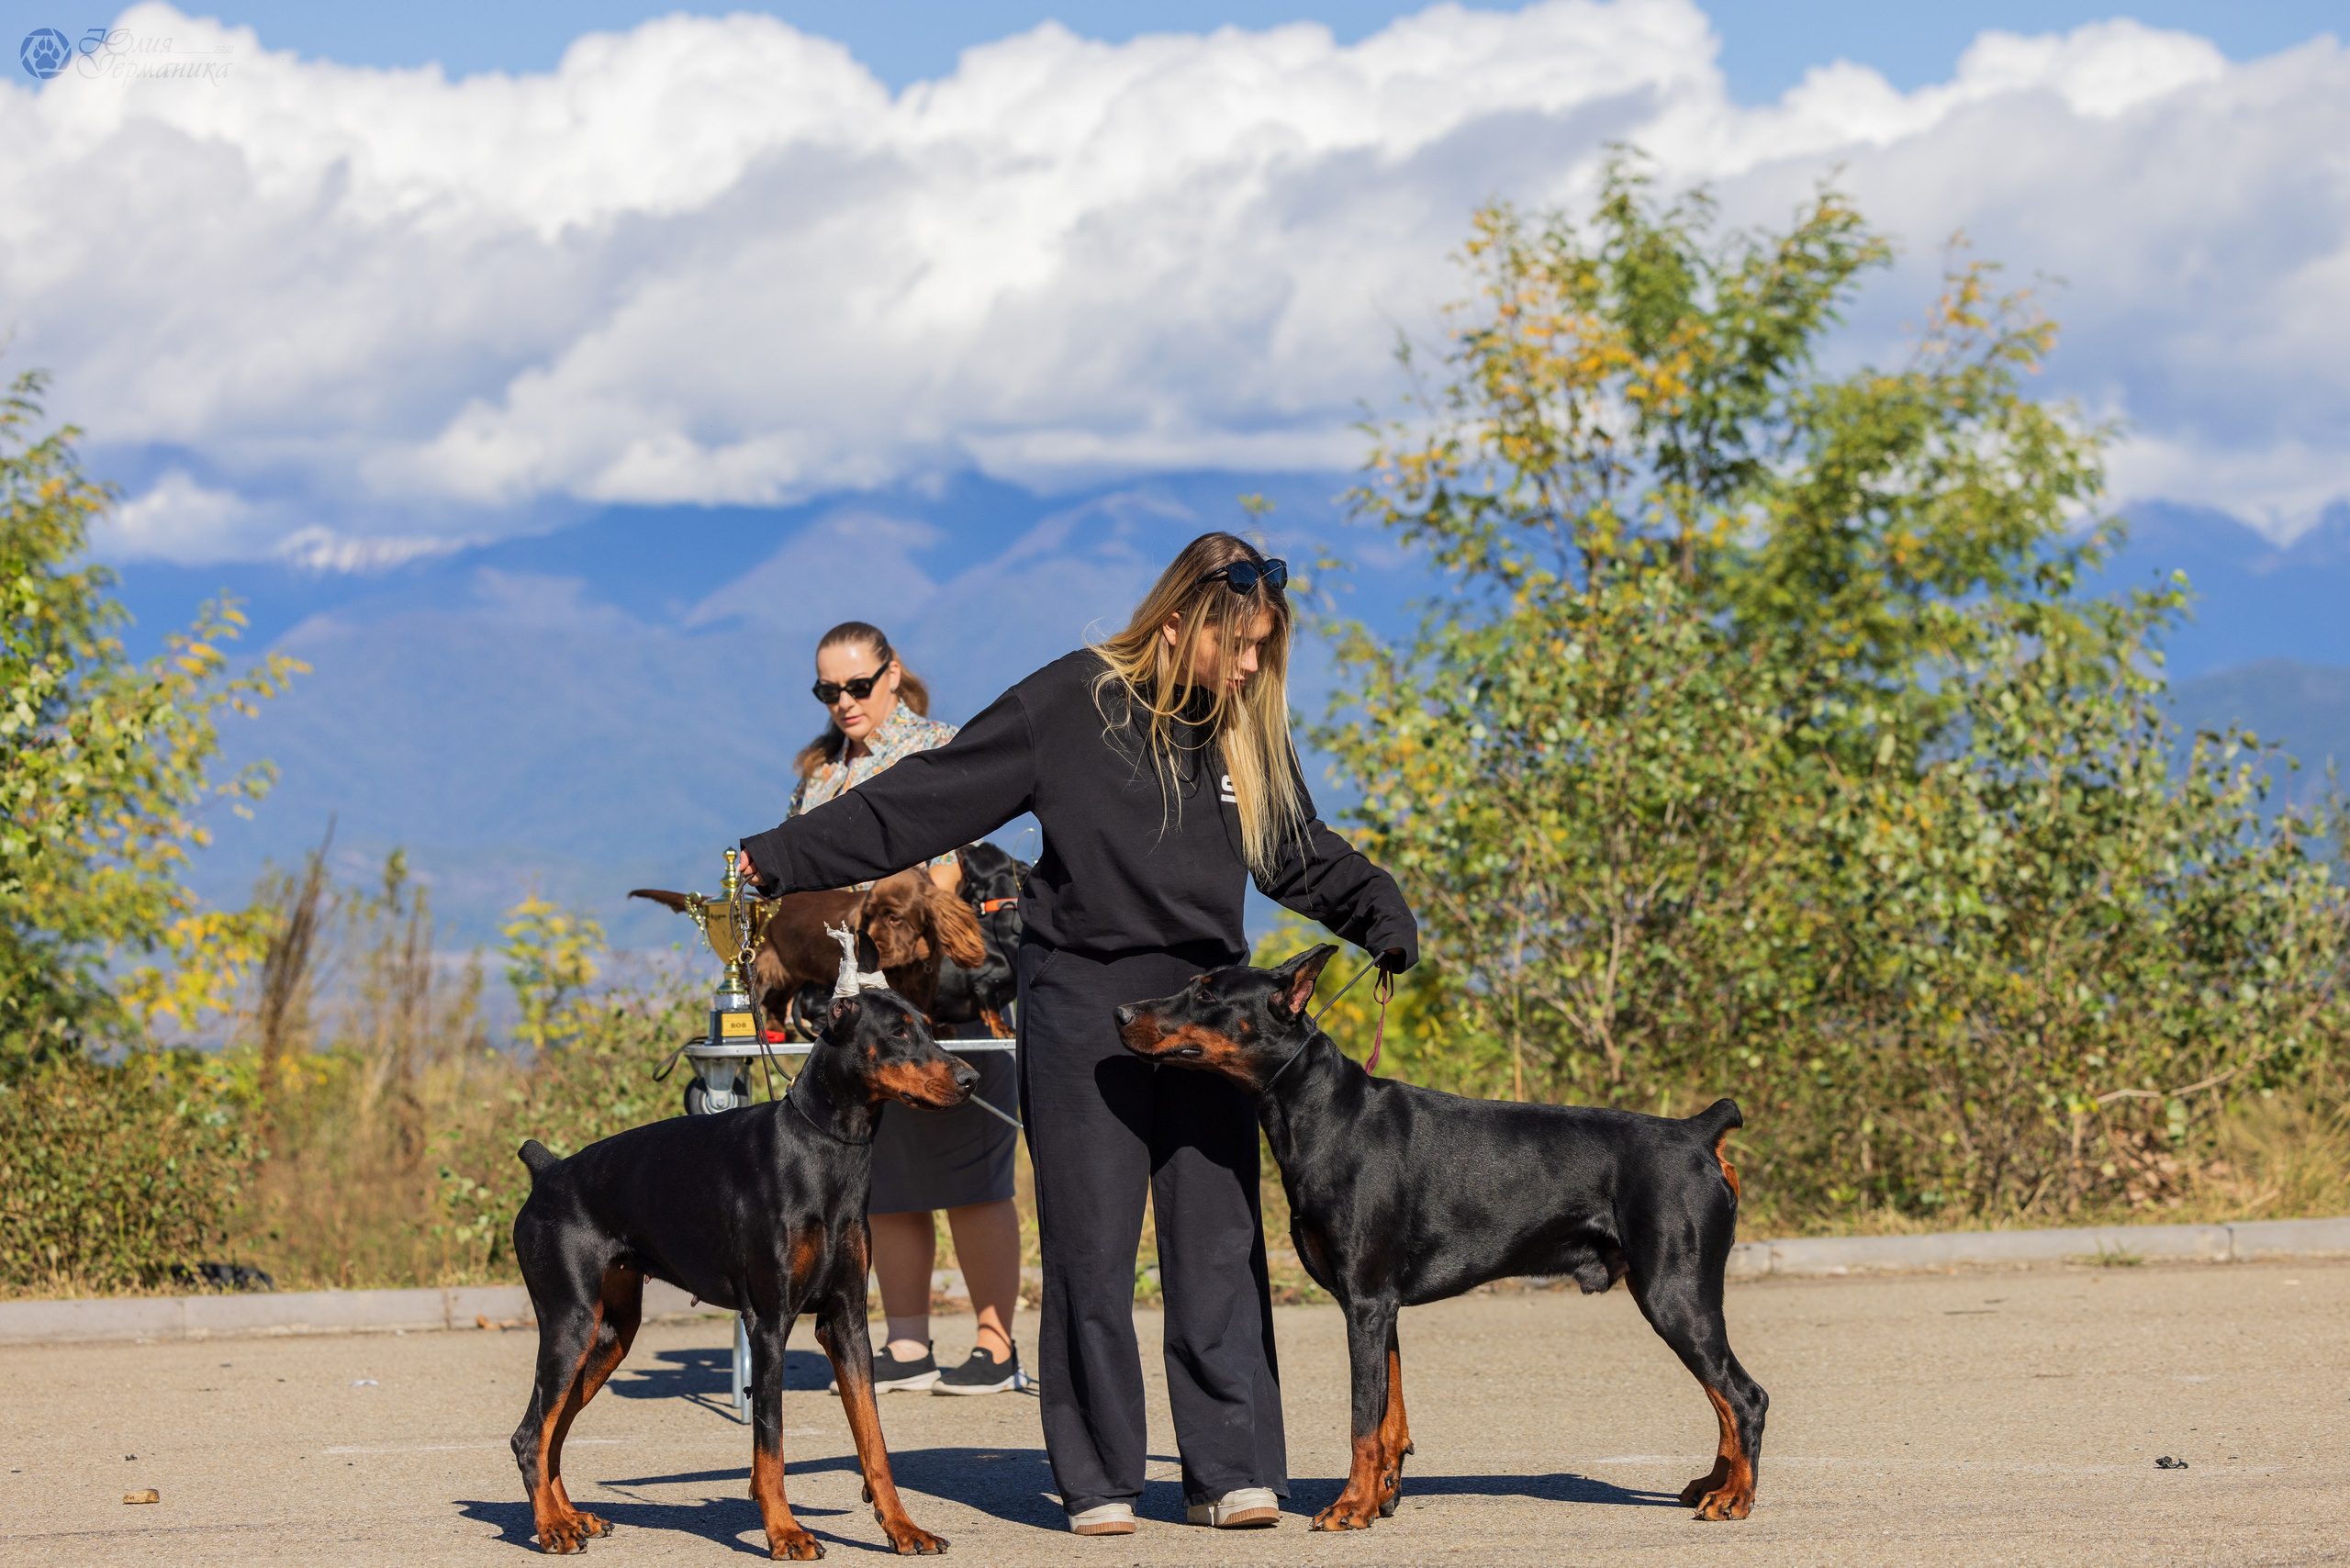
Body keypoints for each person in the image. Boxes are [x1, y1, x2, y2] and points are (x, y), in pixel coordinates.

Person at [739, 536, 1417, 1536]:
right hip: (1081, 1005)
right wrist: (778, 856)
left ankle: (1230, 1466)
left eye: (1261, 652)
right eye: (1236, 646)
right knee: (1091, 1249)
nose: (1246, 668)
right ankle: (1100, 1478)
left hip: (1205, 1012)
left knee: (1217, 1241)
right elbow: (930, 796)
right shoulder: (1072, 699)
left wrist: (1377, 907)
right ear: (1179, 620)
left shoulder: (1240, 726)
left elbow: (1295, 851)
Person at [788, 621, 1026, 1397]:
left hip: (940, 1001)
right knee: (881, 1179)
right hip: (853, 1009)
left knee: (973, 1177)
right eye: (829, 690)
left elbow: (950, 880)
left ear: (892, 674)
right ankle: (906, 1342)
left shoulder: (942, 749)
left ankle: (995, 1344)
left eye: (858, 685)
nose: (845, 702)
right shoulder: (819, 775)